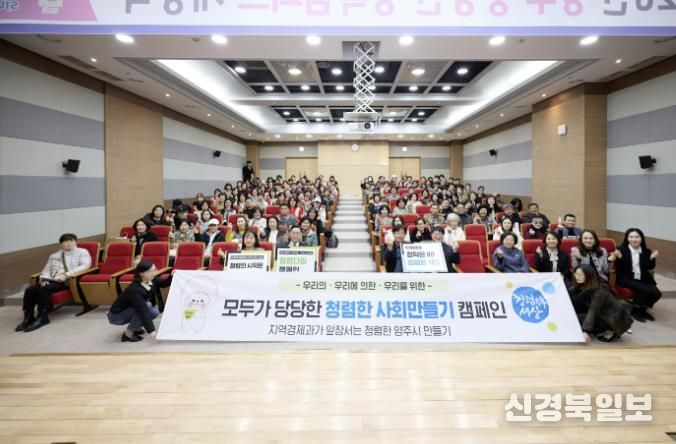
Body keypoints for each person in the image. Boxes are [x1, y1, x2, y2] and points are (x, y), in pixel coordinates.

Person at [16, 233, 92, 332]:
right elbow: (47, 269)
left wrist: (66, 275)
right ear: (61, 244)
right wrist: (45, 279)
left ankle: (43, 317)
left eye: (71, 241)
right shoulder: (54, 255)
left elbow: (85, 265)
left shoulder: (82, 252)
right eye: (65, 242)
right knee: (30, 290)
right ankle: (28, 317)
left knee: (44, 289)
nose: (69, 244)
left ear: (75, 242)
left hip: (68, 280)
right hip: (52, 280)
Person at [568, 264, 633, 343]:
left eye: (580, 275)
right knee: (575, 305)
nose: (577, 277)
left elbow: (593, 311)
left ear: (588, 275)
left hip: (611, 319)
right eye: (576, 274)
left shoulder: (599, 291)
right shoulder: (589, 282)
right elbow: (572, 290)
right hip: (602, 312)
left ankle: (610, 329)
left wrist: (585, 331)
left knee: (575, 319)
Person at [613, 228, 661, 322]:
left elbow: (649, 267)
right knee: (644, 290)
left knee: (657, 293)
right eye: (631, 237)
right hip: (626, 277)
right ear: (627, 238)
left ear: (641, 238)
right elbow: (619, 268)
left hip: (643, 277)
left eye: (637, 237)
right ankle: (635, 310)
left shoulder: (646, 251)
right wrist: (619, 258)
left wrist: (652, 258)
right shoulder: (621, 250)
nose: (634, 239)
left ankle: (642, 309)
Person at [107, 260, 160, 343]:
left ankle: (135, 328)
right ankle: (127, 335)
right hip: (116, 316)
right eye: (150, 271)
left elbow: (164, 283)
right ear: (141, 273)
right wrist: (151, 331)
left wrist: (173, 275)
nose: (153, 273)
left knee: (154, 311)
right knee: (147, 307)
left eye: (154, 270)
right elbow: (142, 311)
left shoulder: (150, 279)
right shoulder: (135, 290)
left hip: (129, 310)